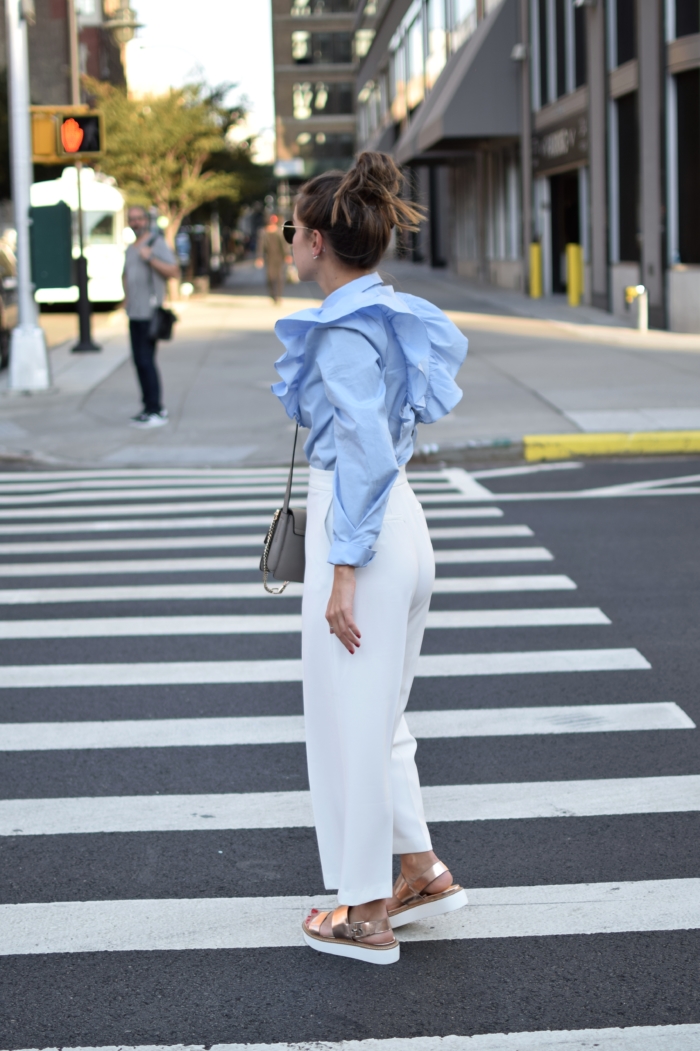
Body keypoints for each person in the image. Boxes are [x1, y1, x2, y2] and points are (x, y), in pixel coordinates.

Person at [272, 151, 469, 966]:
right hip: (401, 530)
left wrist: (343, 567)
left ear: (317, 242)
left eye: (291, 231)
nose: (286, 242)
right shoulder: (388, 315)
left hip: (362, 533)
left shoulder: (344, 330)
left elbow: (360, 452)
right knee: (378, 715)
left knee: (348, 722)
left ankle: (361, 912)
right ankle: (418, 869)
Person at [123, 206, 180, 428]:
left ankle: (157, 409)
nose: (135, 222)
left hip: (150, 314)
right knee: (139, 362)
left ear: (146, 221)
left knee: (146, 361)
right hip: (134, 313)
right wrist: (126, 299)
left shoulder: (156, 243)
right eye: (132, 219)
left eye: (139, 219)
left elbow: (174, 271)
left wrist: (150, 259)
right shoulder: (130, 248)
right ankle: (148, 407)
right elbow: (126, 275)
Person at [255, 214, 289, 303]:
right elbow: (260, 246)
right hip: (269, 257)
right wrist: (259, 257)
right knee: (270, 277)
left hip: (279, 257)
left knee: (279, 277)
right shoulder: (263, 232)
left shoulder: (279, 232)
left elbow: (284, 245)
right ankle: (272, 294)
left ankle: (278, 295)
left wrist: (287, 255)